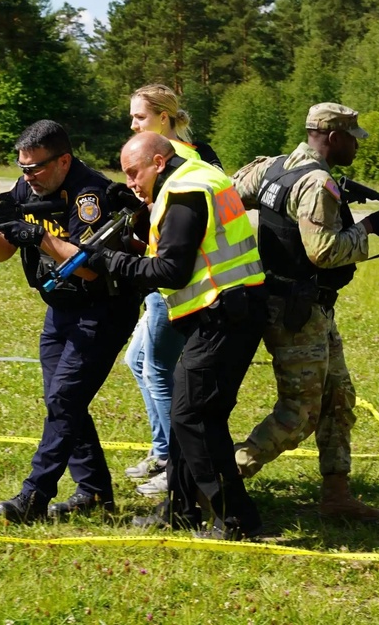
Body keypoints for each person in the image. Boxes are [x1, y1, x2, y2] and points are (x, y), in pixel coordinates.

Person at [0, 119, 141, 524]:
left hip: (103, 308)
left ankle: (34, 495)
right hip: (60, 307)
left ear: (63, 161)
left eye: (36, 168)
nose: (27, 177)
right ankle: (93, 493)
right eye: (22, 168)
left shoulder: (88, 195)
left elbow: (89, 269)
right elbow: (1, 252)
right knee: (63, 400)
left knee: (65, 399)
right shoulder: (28, 188)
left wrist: (37, 237)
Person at [87, 131, 267, 540]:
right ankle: (181, 511)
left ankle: (236, 519)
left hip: (225, 313)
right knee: (192, 416)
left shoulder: (184, 193)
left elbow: (170, 271)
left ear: (159, 162)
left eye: (134, 172)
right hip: (225, 310)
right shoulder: (195, 176)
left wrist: (110, 259)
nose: (131, 182)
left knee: (194, 417)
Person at [231, 103, 379, 523]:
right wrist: (371, 228)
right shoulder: (317, 183)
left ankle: (337, 494)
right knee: (299, 414)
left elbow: (227, 196)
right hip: (295, 311)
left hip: (304, 305)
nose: (357, 147)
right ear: (333, 137)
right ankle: (214, 480)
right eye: (352, 139)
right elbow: (323, 251)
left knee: (338, 398)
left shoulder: (272, 167)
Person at [122, 84, 223, 498]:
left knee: (157, 368)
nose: (132, 124)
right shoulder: (155, 154)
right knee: (137, 360)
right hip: (157, 275)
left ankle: (173, 463)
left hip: (180, 282)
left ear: (164, 118)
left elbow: (177, 233)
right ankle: (163, 449)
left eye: (140, 117)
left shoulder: (186, 161)